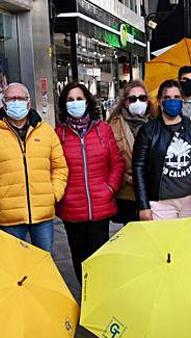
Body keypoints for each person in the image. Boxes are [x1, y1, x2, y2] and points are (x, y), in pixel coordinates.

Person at [0, 82, 69, 251]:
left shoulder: (46, 132)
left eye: (20, 98)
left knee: (45, 262)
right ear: (4, 103)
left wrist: (53, 194)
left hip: (43, 215)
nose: (16, 102)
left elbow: (60, 167)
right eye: (11, 98)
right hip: (10, 217)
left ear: (29, 102)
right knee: (15, 266)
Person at [55, 82, 125, 280]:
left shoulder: (102, 130)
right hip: (72, 208)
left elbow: (117, 162)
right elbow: (53, 168)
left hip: (100, 205)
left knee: (99, 257)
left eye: (79, 99)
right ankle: (86, 297)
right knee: (79, 257)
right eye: (70, 100)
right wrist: (62, 195)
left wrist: (110, 188)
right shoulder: (58, 134)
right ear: (63, 104)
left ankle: (99, 296)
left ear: (87, 102)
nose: (75, 103)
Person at [132, 80, 191, 221]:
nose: (173, 101)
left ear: (182, 100)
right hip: (160, 204)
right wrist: (143, 205)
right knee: (164, 243)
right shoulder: (148, 131)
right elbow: (139, 168)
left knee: (188, 242)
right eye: (167, 98)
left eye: (177, 97)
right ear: (160, 102)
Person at [108, 80, 153, 224]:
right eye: (133, 99)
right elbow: (108, 160)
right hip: (127, 194)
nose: (138, 102)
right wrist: (126, 178)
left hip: (152, 191)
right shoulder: (113, 125)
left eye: (142, 98)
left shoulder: (157, 122)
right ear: (125, 102)